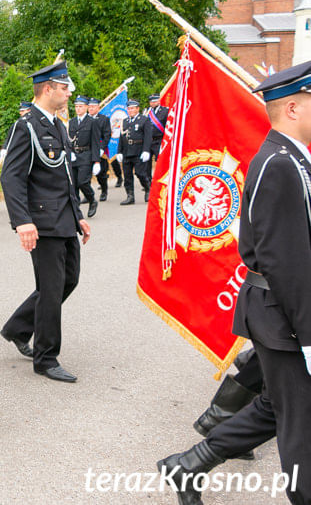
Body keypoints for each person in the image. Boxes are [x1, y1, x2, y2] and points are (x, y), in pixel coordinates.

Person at [160, 62, 311, 505]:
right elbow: (287, 262)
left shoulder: (292, 160)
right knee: (299, 420)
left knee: (275, 406)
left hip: (280, 313)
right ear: (294, 108)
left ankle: (187, 465)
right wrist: (309, 336)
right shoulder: (279, 164)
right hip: (282, 316)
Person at [0, 61, 92, 383]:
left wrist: (78, 215)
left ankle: (17, 328)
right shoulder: (25, 127)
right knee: (51, 290)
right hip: (42, 222)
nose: (69, 93)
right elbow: (10, 177)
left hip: (64, 219)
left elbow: (64, 176)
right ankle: (46, 357)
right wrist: (22, 221)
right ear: (48, 88)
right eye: (64, 87)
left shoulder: (58, 125)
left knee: (69, 280)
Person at [68, 95, 100, 218]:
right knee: (74, 184)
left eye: (80, 106)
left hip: (86, 156)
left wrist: (96, 161)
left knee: (82, 182)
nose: (78, 109)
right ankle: (76, 210)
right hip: (74, 156)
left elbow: (96, 142)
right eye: (76, 106)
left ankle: (92, 200)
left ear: (86, 107)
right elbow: (69, 140)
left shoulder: (92, 122)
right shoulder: (72, 122)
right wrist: (69, 152)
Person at [116, 99, 152, 205]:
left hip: (138, 150)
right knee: (127, 175)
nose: (130, 110)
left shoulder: (144, 120)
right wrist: (119, 151)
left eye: (132, 108)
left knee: (140, 173)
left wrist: (146, 150)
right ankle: (130, 196)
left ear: (137, 109)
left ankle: (147, 188)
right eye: (129, 108)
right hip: (127, 151)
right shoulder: (125, 121)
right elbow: (121, 137)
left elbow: (148, 137)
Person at [88, 97, 116, 201]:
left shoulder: (104, 119)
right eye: (89, 106)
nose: (91, 108)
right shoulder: (85, 119)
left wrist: (101, 148)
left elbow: (107, 135)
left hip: (100, 148)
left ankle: (104, 190)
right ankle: (88, 193)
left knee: (101, 173)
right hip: (88, 149)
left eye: (93, 106)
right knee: (86, 173)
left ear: (98, 107)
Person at [145, 93, 168, 178]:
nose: (153, 103)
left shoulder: (165, 111)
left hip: (159, 140)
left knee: (160, 161)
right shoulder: (146, 111)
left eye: (155, 101)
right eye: (151, 102)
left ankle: (160, 178)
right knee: (147, 162)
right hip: (148, 140)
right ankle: (148, 180)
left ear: (159, 101)